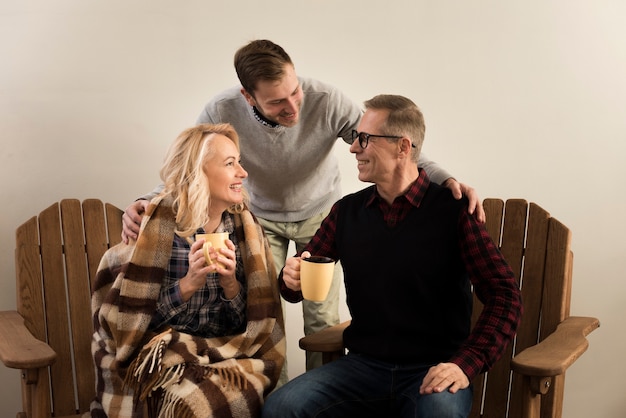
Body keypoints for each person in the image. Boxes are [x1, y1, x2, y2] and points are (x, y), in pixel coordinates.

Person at [121, 40, 485, 373]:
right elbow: (190, 164)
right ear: (249, 97)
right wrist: (146, 201)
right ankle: (268, 399)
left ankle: (323, 396)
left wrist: (443, 177)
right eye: (277, 101)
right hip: (261, 218)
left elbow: (386, 142)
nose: (293, 106)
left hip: (321, 214)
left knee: (322, 317)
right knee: (263, 314)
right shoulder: (221, 109)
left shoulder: (327, 100)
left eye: (295, 92)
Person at [262, 95, 522, 418]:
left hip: (432, 370)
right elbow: (300, 276)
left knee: (438, 413)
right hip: (362, 368)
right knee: (280, 408)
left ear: (403, 147)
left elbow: (505, 295)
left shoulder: (454, 212)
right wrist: (291, 277)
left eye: (364, 139)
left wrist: (464, 364)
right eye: (356, 138)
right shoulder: (346, 213)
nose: (354, 148)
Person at [91, 123, 286, 418]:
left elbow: (251, 324)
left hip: (225, 354)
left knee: (211, 399)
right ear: (197, 173)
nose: (243, 173)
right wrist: (188, 285)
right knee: (187, 406)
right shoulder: (156, 234)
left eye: (240, 162)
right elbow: (129, 325)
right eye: (230, 164)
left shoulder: (244, 232)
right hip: (158, 358)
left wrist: (230, 283)